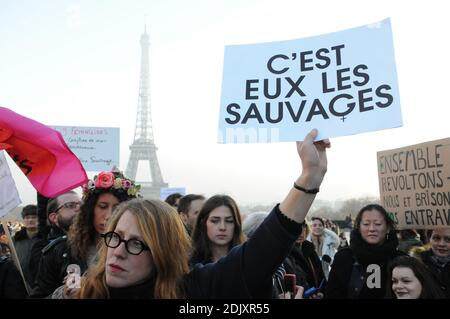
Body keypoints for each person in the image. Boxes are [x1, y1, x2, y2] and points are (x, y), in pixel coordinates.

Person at [63, 129, 329, 299]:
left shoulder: (192, 292)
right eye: (116, 237)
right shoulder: (78, 293)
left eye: (136, 243)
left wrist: (309, 177)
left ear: (162, 253)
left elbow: (261, 252)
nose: (117, 251)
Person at [33, 170, 139, 298]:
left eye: (117, 208)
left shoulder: (139, 251)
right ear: (89, 209)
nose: (109, 215)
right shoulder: (59, 250)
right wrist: (63, 294)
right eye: (102, 206)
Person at [325, 204, 404, 299]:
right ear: (359, 228)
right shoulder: (344, 256)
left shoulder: (401, 260)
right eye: (366, 224)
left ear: (387, 228)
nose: (372, 229)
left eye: (378, 224)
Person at [30, 190, 81, 291]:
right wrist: (64, 294)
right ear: (54, 217)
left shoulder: (101, 241)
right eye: (70, 205)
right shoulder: (47, 250)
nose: (79, 208)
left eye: (81, 204)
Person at [190, 195, 244, 265]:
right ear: (203, 223)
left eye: (229, 221)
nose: (222, 227)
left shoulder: (247, 259)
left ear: (236, 224)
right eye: (215, 221)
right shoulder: (190, 264)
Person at [417, 228, 450, 297]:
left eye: (448, 239)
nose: (442, 244)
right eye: (436, 238)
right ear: (429, 239)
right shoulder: (417, 264)